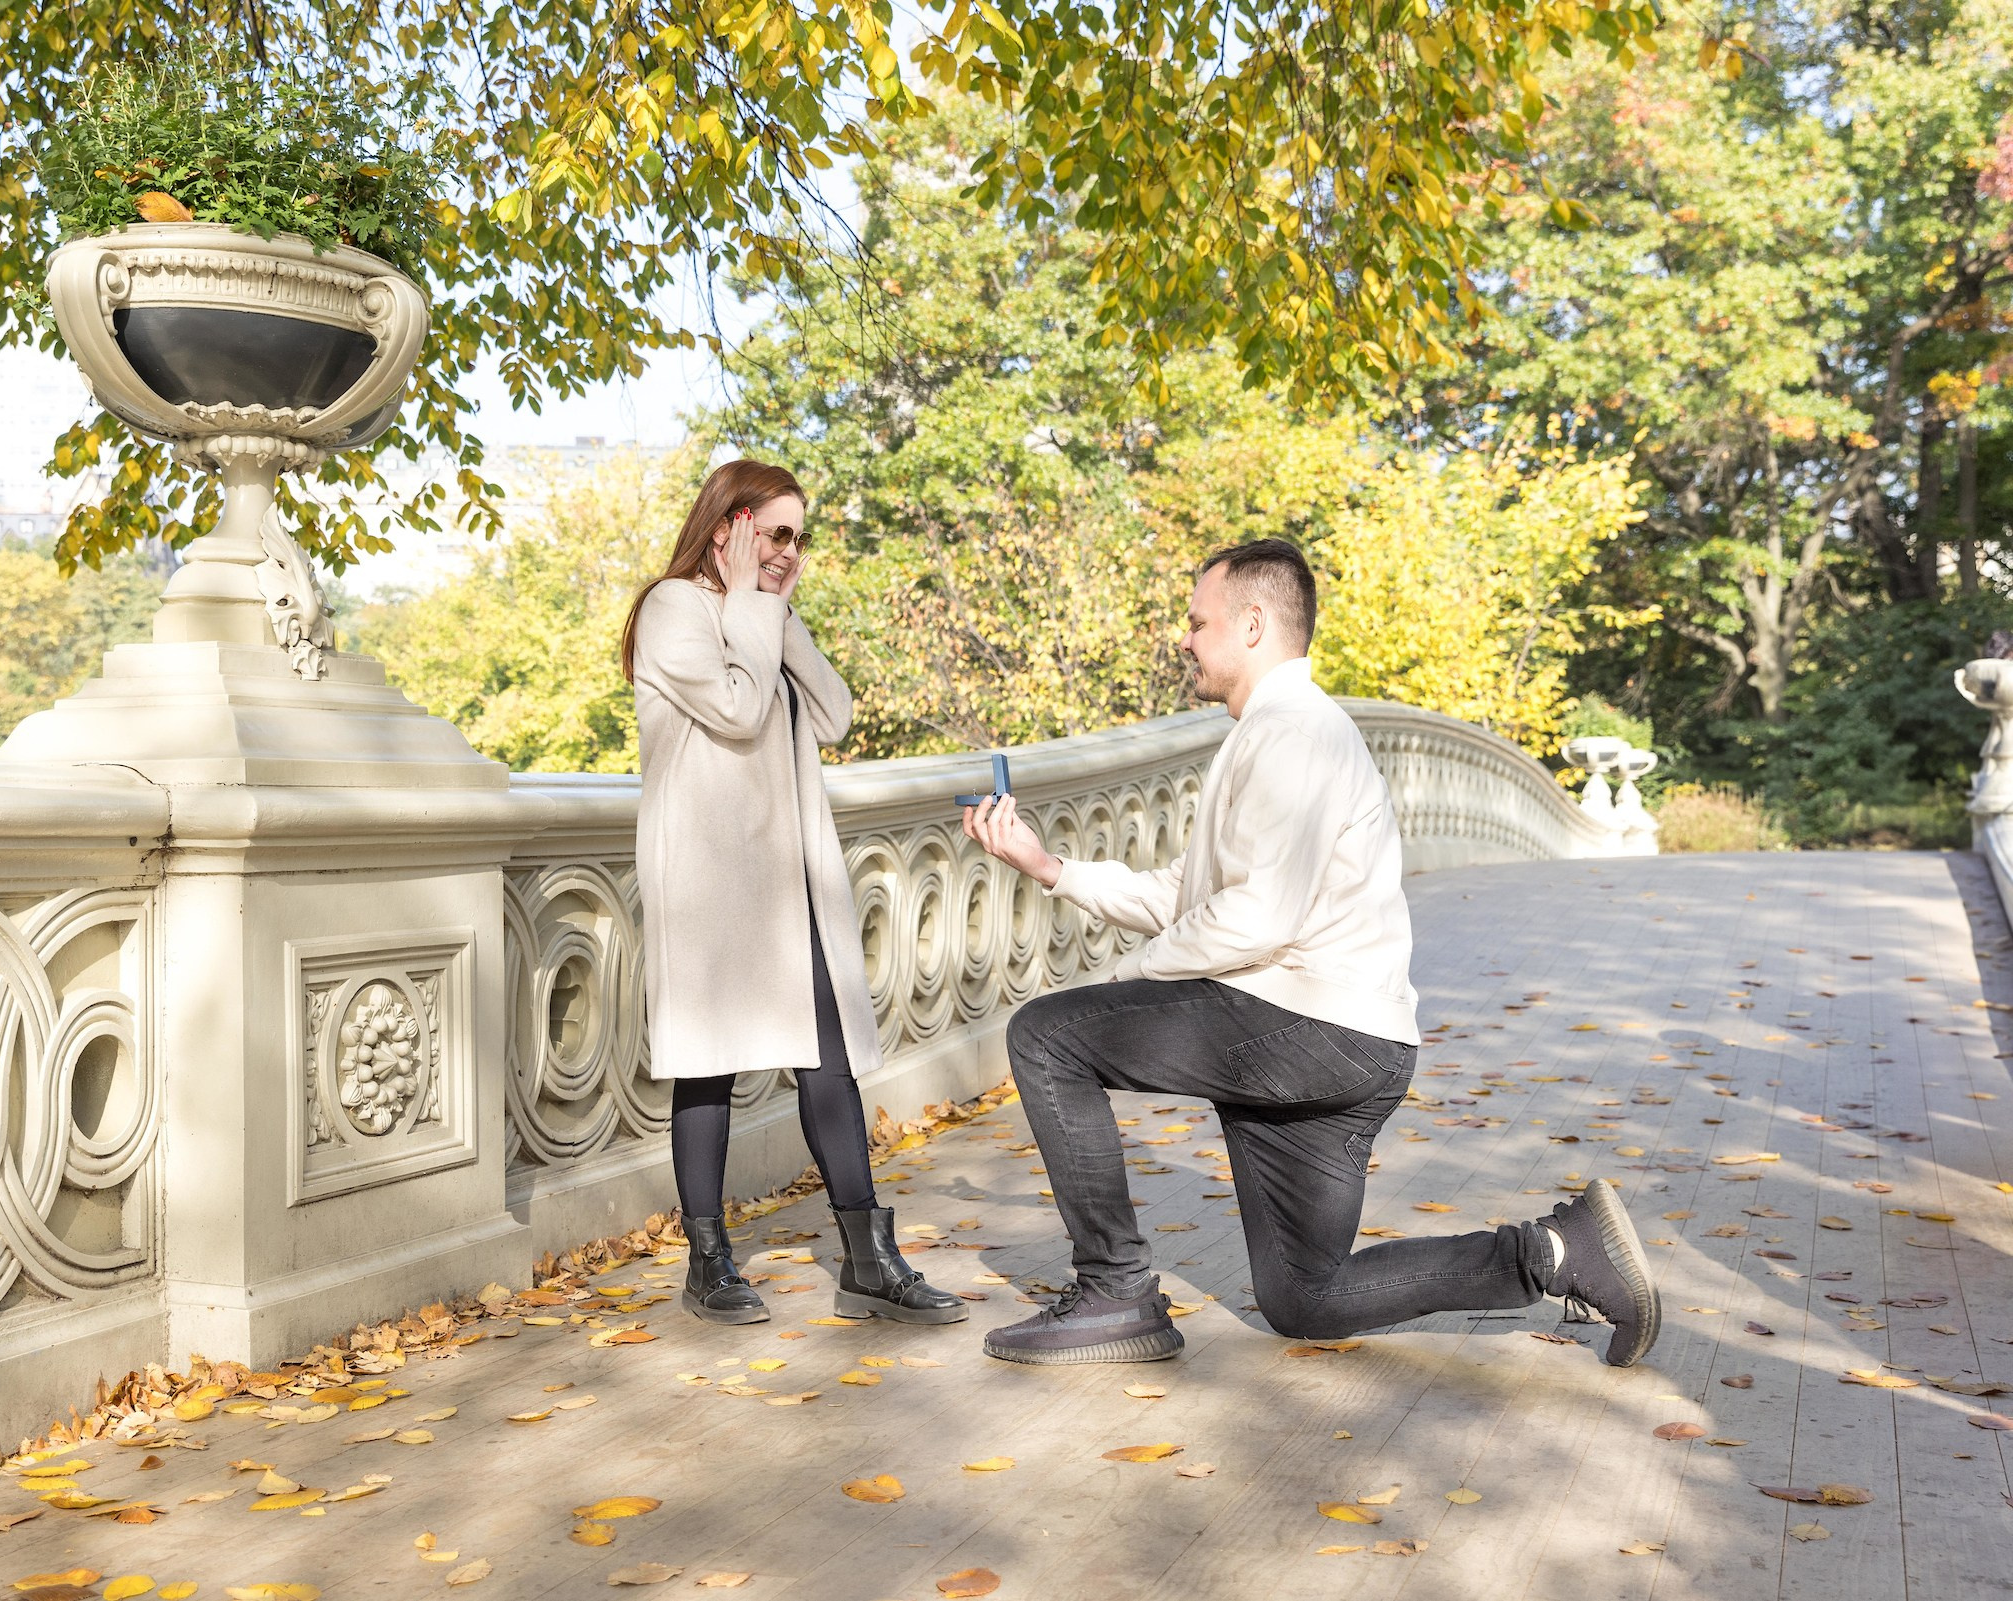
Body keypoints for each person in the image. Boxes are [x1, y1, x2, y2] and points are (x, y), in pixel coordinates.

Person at [962, 538, 1661, 1368]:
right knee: (1306, 1296)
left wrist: (1114, 989)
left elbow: (1256, 917)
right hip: (1343, 1040)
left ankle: (1116, 1291)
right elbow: (1190, 898)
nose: (1184, 639)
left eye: (1196, 621)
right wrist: (1050, 868)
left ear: (1251, 623)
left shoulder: (1295, 735)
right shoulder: (1275, 734)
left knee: (1048, 1036)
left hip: (1309, 1029)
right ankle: (1554, 1251)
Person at [622, 459, 964, 1328]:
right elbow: (737, 711)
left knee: (828, 1058)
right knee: (708, 1067)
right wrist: (751, 600)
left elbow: (835, 711)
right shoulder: (674, 609)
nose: (791, 551)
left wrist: (774, 607)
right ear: (729, 526)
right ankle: (708, 1261)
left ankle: (868, 1258)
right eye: (777, 533)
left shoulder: (764, 611)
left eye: (800, 537)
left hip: (785, 879)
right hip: (705, 878)